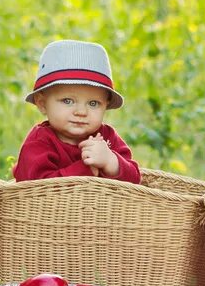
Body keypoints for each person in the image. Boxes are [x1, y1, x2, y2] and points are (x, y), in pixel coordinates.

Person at [12, 40, 140, 183]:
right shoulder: (39, 143)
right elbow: (36, 191)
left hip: (102, 205)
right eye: (68, 101)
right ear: (42, 104)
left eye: (93, 103)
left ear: (106, 105)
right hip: (50, 206)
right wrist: (86, 170)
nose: (81, 112)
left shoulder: (106, 137)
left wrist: (111, 162)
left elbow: (135, 180)